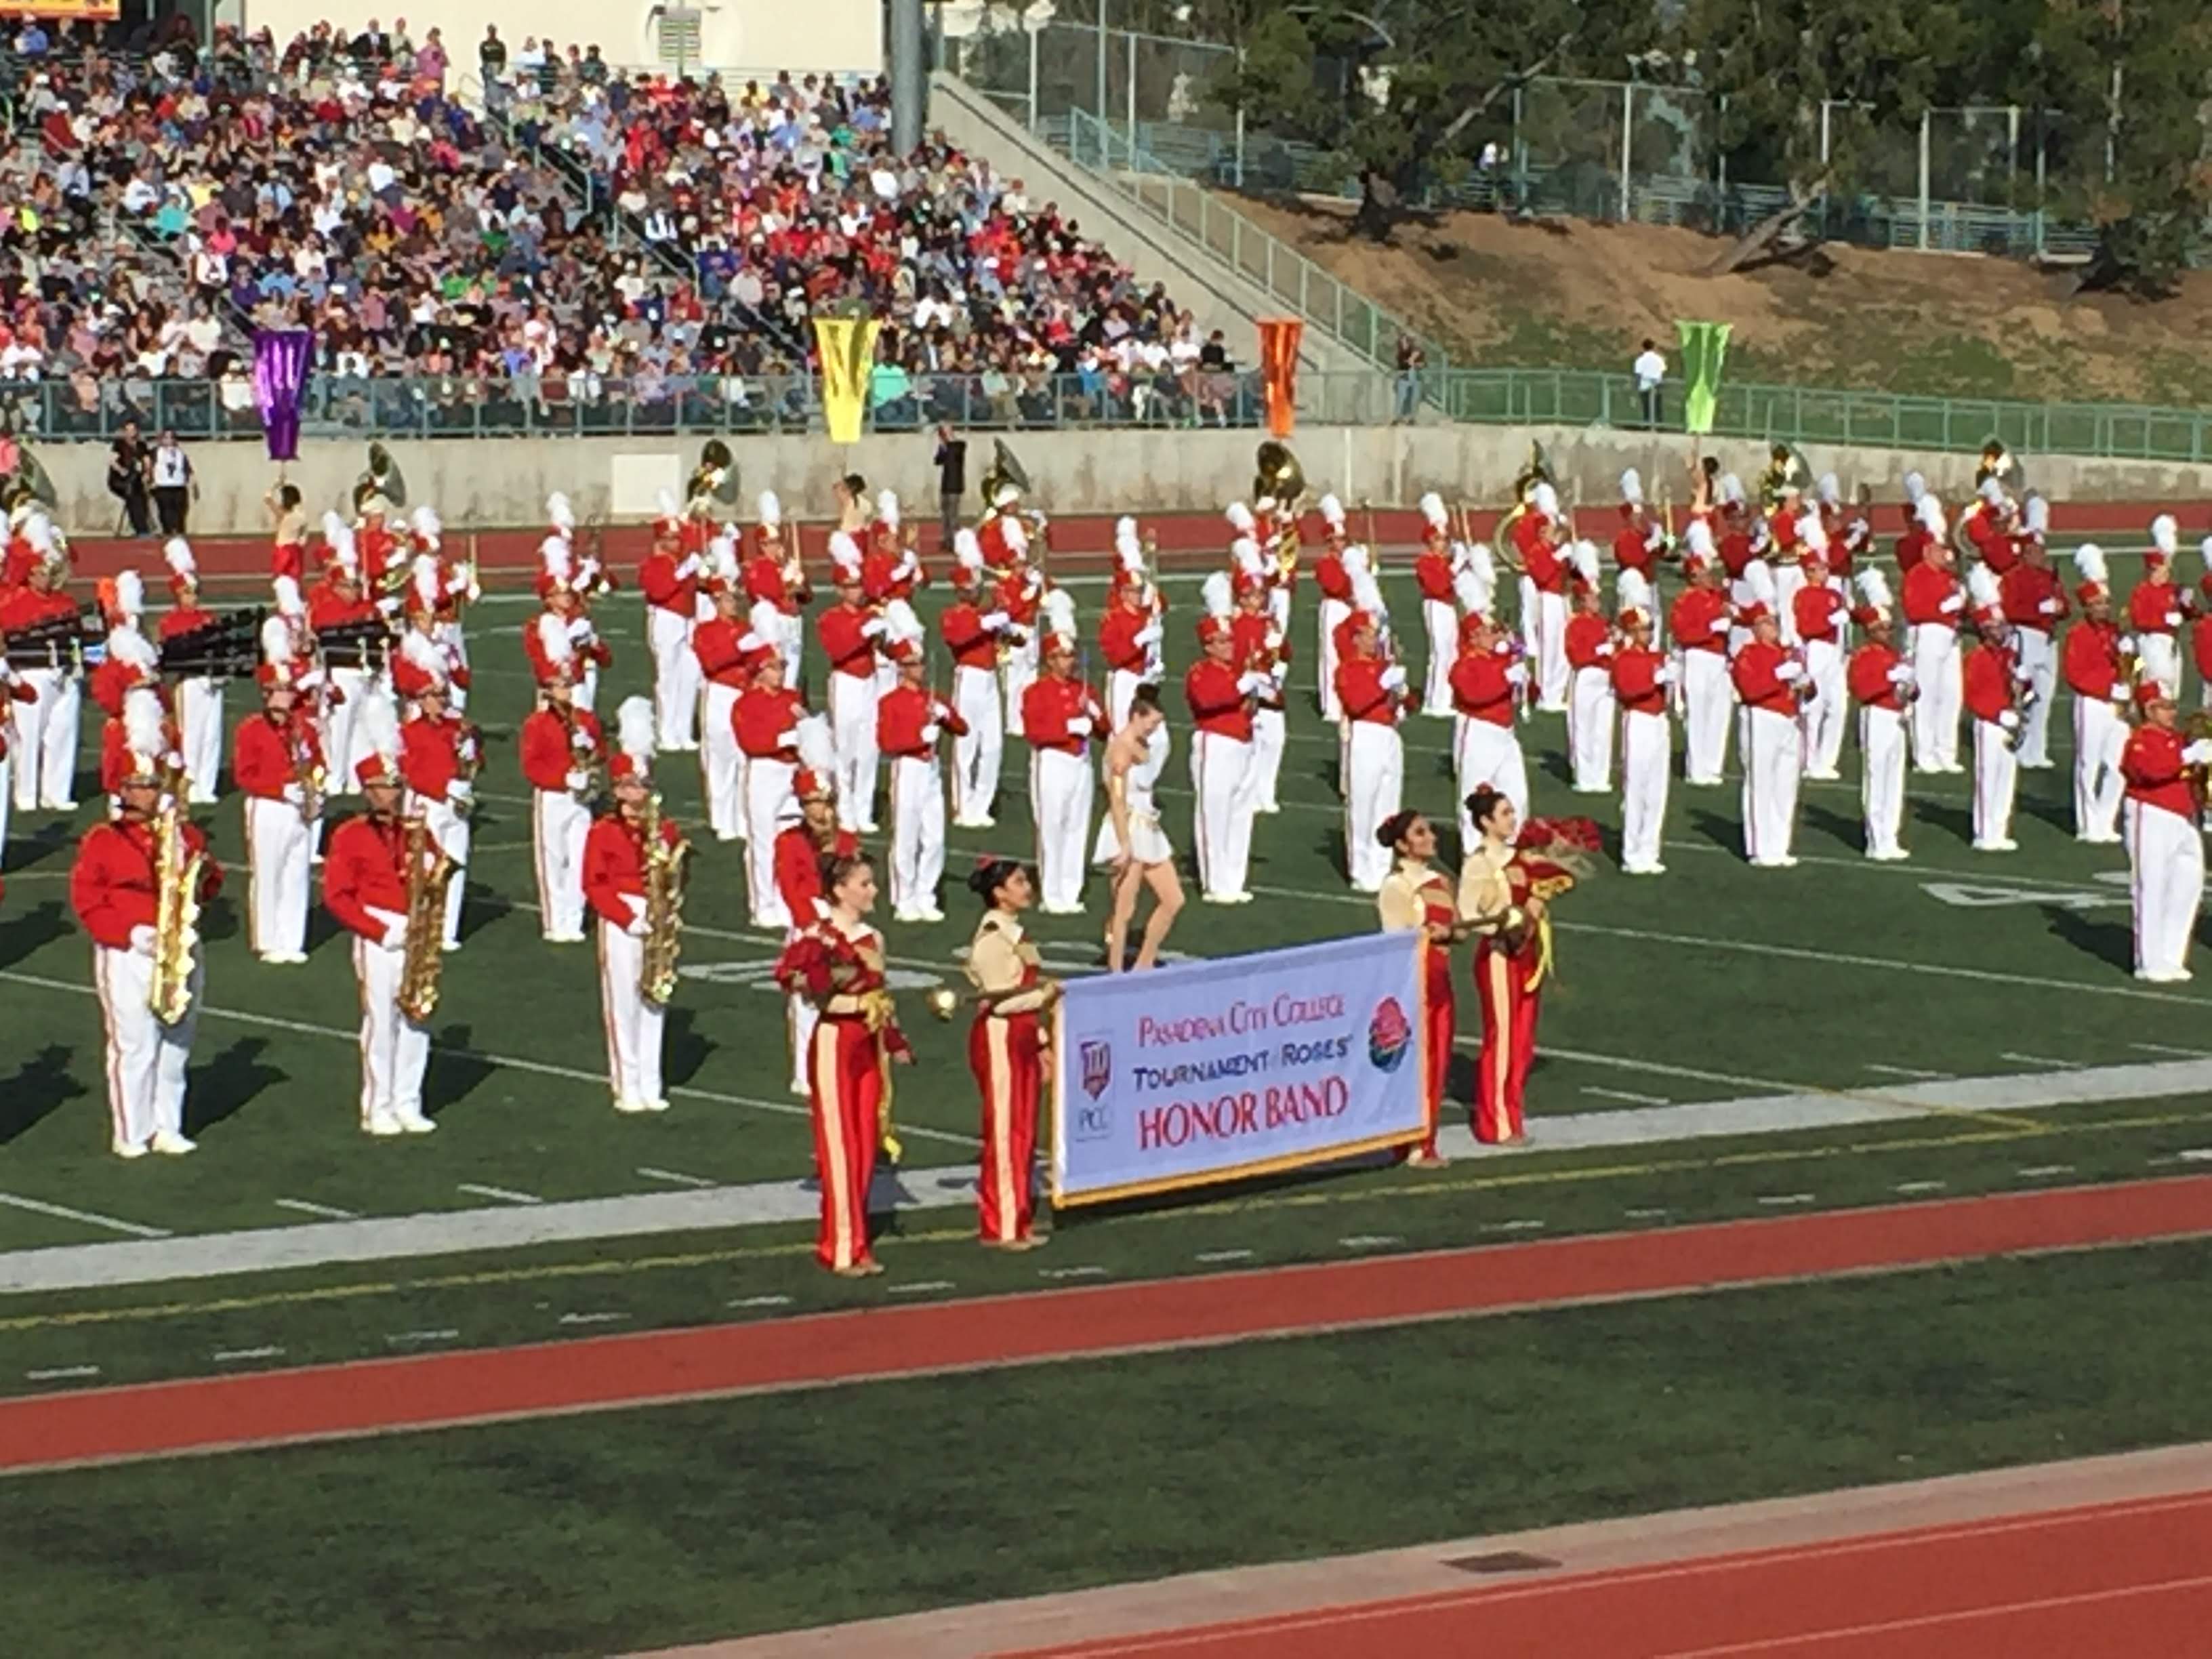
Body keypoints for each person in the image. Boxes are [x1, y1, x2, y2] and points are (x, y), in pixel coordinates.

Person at [71, 691, 220, 1159]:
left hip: (180, 944)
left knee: (177, 1040)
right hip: (128, 951)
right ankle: (131, 1131)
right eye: (141, 785)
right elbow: (87, 899)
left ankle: (167, 1124)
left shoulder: (183, 834)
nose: (151, 792)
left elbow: (210, 884)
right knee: (134, 1042)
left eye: (155, 784)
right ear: (124, 789)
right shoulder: (104, 839)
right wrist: (128, 934)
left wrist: (190, 856)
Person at [775, 851, 913, 1276]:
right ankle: (838, 1246)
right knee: (840, 1145)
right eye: (865, 884)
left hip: (867, 1042)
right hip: (835, 1038)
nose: (872, 891)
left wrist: (893, 1040)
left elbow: (881, 996)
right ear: (840, 890)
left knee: (867, 1142)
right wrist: (821, 976)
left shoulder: (874, 937)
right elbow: (788, 978)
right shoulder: (818, 934)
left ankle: (859, 1241)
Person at [321, 696, 440, 1136]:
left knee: (417, 1017)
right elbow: (338, 895)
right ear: (368, 791)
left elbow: (438, 866)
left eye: (395, 786)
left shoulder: (415, 830)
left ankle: (409, 1099)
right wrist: (380, 927)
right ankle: (378, 1104)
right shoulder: (351, 835)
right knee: (382, 1022)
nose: (391, 794)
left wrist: (431, 872)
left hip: (416, 933)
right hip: (379, 937)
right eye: (383, 787)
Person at [585, 698, 686, 1114]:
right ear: (617, 789)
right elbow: (594, 884)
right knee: (623, 1002)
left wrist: (665, 908)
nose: (637, 792)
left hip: (658, 914)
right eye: (629, 785)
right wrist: (628, 917)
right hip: (623, 920)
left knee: (655, 997)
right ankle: (627, 1082)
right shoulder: (604, 831)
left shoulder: (663, 828)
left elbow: (678, 869)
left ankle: (651, 1080)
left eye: (642, 785)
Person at [964, 855, 1061, 1250]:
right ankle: (1001, 1224)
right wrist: (1046, 995)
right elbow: (1001, 1001)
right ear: (999, 893)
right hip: (1000, 1036)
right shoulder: (992, 938)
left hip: (1021, 1035)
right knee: (1005, 1130)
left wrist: (1041, 1042)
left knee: (1022, 1128)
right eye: (1019, 882)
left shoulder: (1015, 933)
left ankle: (1018, 1218)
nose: (1027, 888)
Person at [1376, 810, 1464, 1165]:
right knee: (1418, 1062)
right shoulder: (1396, 886)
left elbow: (1459, 930)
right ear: (1402, 845)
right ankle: (1414, 1144)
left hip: (1441, 975)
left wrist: (1452, 932)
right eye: (1420, 833)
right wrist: (1428, 934)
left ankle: (1427, 1139)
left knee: (1438, 1060)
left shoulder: (1441, 882)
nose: (1431, 838)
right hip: (1415, 977)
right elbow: (1395, 939)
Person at [1457, 787, 1542, 1145]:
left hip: (1526, 953)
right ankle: (1496, 1123)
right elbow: (1466, 912)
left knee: (1523, 1039)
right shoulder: (1479, 863)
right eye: (1505, 814)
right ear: (1486, 822)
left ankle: (1514, 1113)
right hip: (1497, 956)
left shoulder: (1521, 856)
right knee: (1503, 1038)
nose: (1512, 819)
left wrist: (1535, 908)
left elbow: (1537, 893)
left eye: (1512, 812)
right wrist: (1501, 925)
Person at [233, 655, 323, 963]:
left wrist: (316, 791)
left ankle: (292, 940)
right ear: (266, 693)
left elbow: (318, 762)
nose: (286, 694)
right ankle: (267, 939)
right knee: (268, 872)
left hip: (299, 807)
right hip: (268, 806)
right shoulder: (252, 729)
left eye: (288, 689)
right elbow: (244, 775)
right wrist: (279, 788)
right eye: (279, 689)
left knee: (297, 873)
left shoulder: (303, 729)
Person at [773, 765, 857, 1094]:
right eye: (811, 803)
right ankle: (805, 1073)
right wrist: (813, 922)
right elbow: (790, 887)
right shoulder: (790, 841)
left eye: (823, 802)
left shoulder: (846, 840)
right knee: (806, 1001)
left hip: (842, 924)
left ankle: (837, 1065)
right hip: (808, 928)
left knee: (845, 997)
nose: (819, 810)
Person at [519, 620, 603, 943]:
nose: (567, 689)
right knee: (553, 860)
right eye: (561, 685)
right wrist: (564, 777)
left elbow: (602, 753)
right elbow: (532, 766)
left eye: (569, 683)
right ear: (548, 690)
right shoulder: (537, 724)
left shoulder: (585, 720)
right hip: (554, 796)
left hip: (581, 798)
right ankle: (555, 921)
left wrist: (591, 754)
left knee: (580, 858)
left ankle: (574, 918)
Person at [877, 620, 965, 923]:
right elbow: (886, 742)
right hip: (908, 767)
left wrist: (945, 715)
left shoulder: (932, 698)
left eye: (920, 662)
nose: (920, 669)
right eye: (912, 664)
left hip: (930, 770)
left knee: (934, 837)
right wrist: (918, 737)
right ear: (901, 668)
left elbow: (962, 729)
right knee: (906, 835)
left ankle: (926, 894)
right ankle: (904, 897)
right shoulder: (890, 702)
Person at [1022, 596, 1102, 916]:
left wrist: (1094, 712)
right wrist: (1069, 726)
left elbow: (1104, 728)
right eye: (1061, 656)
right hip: (1052, 761)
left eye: (1071, 655)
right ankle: (1052, 890)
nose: (1068, 662)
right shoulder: (1036, 692)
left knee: (1077, 826)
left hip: (1081, 762)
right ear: (1049, 660)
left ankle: (1072, 889)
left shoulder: (1084, 689)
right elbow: (1035, 731)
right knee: (1051, 826)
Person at [1095, 683, 1183, 971]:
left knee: (1174, 899)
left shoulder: (1143, 746)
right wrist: (1123, 844)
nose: (1154, 729)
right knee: (1125, 908)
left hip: (1149, 825)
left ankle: (1144, 963)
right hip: (1129, 826)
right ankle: (1116, 970)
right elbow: (1117, 800)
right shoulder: (1120, 749)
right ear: (1136, 716)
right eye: (1152, 723)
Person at [2124, 686, 2209, 983]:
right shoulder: (2139, 740)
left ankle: (2172, 954)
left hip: (2184, 817)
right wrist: (2188, 756)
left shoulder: (2175, 739)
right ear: (2149, 710)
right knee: (2152, 886)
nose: (2172, 711)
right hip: (2152, 814)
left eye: (2173, 705)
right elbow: (2150, 772)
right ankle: (2149, 960)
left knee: (2189, 883)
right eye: (2164, 706)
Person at [396, 643, 476, 951]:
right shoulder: (409, 732)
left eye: (442, 695)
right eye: (432, 695)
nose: (439, 701)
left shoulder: (458, 728)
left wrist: (471, 756)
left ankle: (446, 930)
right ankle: (419, 924)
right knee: (422, 866)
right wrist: (444, 788)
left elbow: (472, 763)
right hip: (427, 803)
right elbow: (411, 773)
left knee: (456, 864)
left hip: (456, 804)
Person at [1187, 581, 1260, 905]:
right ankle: (1215, 881)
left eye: (1231, 639)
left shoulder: (1236, 671)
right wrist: (1241, 688)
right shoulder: (1200, 672)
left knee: (1240, 812)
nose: (1230, 645)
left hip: (1243, 743)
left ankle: (1234, 878)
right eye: (1222, 641)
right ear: (1208, 645)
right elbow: (1207, 700)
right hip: (1215, 743)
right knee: (1214, 813)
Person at [1732, 570, 1809, 869]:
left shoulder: (1786, 653)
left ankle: (1780, 843)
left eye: (1774, 621)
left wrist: (1804, 682)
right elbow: (1751, 689)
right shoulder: (1748, 653)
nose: (1773, 627)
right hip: (1762, 717)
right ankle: (1760, 846)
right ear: (1755, 628)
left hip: (1789, 719)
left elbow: (1805, 686)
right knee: (1761, 781)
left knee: (1785, 782)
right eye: (1767, 622)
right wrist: (1779, 677)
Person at [1, 529, 82, 813]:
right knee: (28, 735)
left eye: (49, 571)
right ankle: (26, 794)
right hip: (31, 673)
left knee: (63, 733)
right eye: (39, 572)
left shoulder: (66, 603)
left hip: (64, 673)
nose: (45, 578)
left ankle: (57, 792)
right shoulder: (13, 603)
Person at [1336, 603, 1410, 894]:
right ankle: (1361, 869)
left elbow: (1404, 703)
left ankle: (1382, 865)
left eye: (1374, 634)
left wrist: (1401, 694)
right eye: (1367, 634)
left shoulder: (1382, 666)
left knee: (1387, 802)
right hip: (1365, 733)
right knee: (1363, 804)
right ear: (1355, 638)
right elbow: (1355, 703)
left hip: (1390, 734)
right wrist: (1383, 685)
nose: (1373, 640)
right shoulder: (1347, 668)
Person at [941, 531, 1010, 827]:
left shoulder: (986, 612)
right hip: (968, 677)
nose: (973, 591)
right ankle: (963, 805)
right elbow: (958, 635)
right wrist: (988, 621)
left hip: (989, 678)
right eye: (968, 586)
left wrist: (1006, 618)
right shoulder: (954, 615)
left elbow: (1008, 635)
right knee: (966, 742)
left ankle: (982, 803)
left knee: (992, 744)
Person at [693, 554, 764, 843]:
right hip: (720, 694)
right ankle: (721, 818)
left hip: (743, 694)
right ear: (716, 600)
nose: (733, 603)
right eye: (727, 598)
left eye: (735, 598)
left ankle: (740, 817)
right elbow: (711, 662)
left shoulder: (746, 628)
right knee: (719, 757)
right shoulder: (705, 630)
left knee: (741, 757)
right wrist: (738, 649)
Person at [1847, 571, 1914, 862]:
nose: (1889, 632)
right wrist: (1889, 679)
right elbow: (1862, 688)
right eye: (1884, 628)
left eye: (1889, 628)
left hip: (1897, 717)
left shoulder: (1893, 655)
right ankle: (1876, 839)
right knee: (1877, 778)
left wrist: (1911, 686)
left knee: (1894, 778)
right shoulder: (1864, 656)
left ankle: (1891, 835)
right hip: (1877, 716)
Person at [1449, 604, 1530, 844]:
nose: (1495, 635)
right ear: (1474, 637)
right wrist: (1505, 678)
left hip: (1506, 733)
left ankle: (1509, 846)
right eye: (1490, 631)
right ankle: (1474, 852)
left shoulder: (1499, 659)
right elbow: (1474, 694)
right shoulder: (1465, 665)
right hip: (1480, 733)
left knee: (1517, 794)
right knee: (1476, 797)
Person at [2064, 547, 2129, 845]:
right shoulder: (2079, 634)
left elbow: (2129, 665)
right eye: (2097, 604)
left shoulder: (2115, 632)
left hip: (2117, 705)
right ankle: (2087, 822)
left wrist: (2132, 665)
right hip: (2092, 703)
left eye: (2106, 603)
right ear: (2087, 607)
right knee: (2089, 764)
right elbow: (2076, 673)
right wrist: (2108, 687)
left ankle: (2106, 818)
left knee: (2117, 764)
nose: (2103, 608)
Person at [817, 550, 884, 832]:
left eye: (858, 586)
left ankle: (864, 809)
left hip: (870, 681)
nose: (856, 592)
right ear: (839, 590)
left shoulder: (871, 613)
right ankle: (844, 810)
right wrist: (863, 632)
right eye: (850, 587)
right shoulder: (830, 618)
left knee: (869, 748)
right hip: (846, 682)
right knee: (845, 749)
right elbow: (838, 650)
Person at [1610, 571, 1672, 875]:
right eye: (1644, 629)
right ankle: (1633, 850)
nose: (1649, 633)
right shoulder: (1623, 659)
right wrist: (1654, 680)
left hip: (1659, 721)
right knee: (1637, 787)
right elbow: (1627, 690)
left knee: (1658, 788)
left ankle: (1650, 848)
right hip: (1639, 721)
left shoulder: (1655, 655)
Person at [1900, 497, 1965, 773]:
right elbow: (1914, 609)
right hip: (1928, 635)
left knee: (1951, 694)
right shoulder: (1917, 575)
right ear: (1928, 550)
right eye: (1940, 549)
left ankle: (1945, 751)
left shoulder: (1948, 577)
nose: (1945, 554)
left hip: (1952, 637)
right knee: (1926, 695)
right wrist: (1943, 608)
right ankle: (1924, 753)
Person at [1963, 566, 2024, 853]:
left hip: (2010, 721)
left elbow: (2019, 688)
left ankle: (2001, 828)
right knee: (1988, 777)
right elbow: (1974, 696)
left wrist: (2026, 686)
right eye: (1996, 627)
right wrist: (1998, 714)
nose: (2002, 630)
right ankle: (1985, 831)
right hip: (1990, 723)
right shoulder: (1977, 658)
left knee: (2007, 776)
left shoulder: (2009, 656)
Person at [157, 539, 222, 805]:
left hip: (211, 682)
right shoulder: (170, 622)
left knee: (212, 734)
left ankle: (208, 785)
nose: (192, 597)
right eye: (186, 592)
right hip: (190, 684)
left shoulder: (210, 618)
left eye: (194, 592)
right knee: (192, 735)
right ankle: (191, 782)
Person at [1999, 519, 2069, 769]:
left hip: (2049, 639)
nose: (2041, 556)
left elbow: (2065, 605)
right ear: (2026, 553)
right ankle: (2020, 747)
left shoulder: (2049, 577)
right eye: (2036, 551)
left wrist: (2060, 608)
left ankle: (2037, 750)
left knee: (2045, 696)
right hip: (2026, 636)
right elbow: (2010, 609)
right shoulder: (2013, 578)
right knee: (2025, 695)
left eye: (2042, 551)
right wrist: (2039, 610)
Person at [1671, 528, 1733, 786]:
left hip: (1719, 657)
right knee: (1699, 713)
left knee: (1720, 712)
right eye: (1703, 573)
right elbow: (1683, 633)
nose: (1709, 577)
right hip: (1698, 657)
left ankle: (1712, 764)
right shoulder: (1685, 601)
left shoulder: (1717, 597)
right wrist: (1710, 629)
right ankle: (1696, 768)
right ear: (1693, 577)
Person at [638, 515, 703, 754]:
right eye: (669, 539)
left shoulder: (683, 562)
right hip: (667, 619)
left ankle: (684, 730)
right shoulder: (654, 564)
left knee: (689, 675)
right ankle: (666, 732)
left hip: (688, 619)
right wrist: (684, 571)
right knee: (668, 677)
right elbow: (660, 590)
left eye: (677, 538)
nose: (675, 543)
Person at [1792, 537, 1849, 781]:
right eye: (1818, 568)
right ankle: (1810, 759)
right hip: (1815, 649)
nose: (1824, 572)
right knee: (1813, 706)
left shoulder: (1834, 594)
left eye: (1825, 568)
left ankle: (1827, 760)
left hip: (1833, 650)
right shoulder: (1803, 595)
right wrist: (1829, 621)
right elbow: (1806, 626)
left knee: (1838, 706)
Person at [1563, 544, 1616, 794]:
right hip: (1586, 676)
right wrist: (1599, 651)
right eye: (1592, 598)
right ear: (1582, 601)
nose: (1597, 601)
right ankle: (1585, 776)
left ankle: (1600, 775)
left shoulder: (1603, 623)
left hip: (1605, 677)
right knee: (1583, 728)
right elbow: (1576, 655)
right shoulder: (1576, 625)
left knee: (1603, 729)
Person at [2129, 515, 2190, 701]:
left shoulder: (2172, 589)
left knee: (2172, 692)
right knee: (2156, 688)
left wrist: (2186, 605)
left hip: (2171, 645)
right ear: (2153, 569)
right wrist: (2163, 620)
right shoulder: (2142, 591)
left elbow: (2187, 613)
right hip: (2153, 644)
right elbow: (2139, 620)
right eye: (2163, 568)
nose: (2167, 572)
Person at [1414, 495, 1458, 714]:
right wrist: (1454, 569)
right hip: (1435, 605)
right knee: (1440, 652)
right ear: (1430, 541)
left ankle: (1445, 697)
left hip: (1448, 607)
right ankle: (1434, 700)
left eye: (1445, 539)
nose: (1443, 543)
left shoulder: (1443, 561)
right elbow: (1437, 586)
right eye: (1439, 539)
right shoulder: (1425, 561)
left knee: (1451, 652)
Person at [108, 420, 151, 537]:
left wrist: (147, 473)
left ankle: (140, 527)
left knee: (140, 497)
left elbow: (147, 461)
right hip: (120, 481)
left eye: (133, 430)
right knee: (134, 497)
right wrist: (122, 471)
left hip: (136, 480)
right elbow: (112, 461)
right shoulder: (119, 444)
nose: (130, 433)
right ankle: (142, 529)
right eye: (128, 430)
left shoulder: (141, 445)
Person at [150, 430, 192, 536]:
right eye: (166, 438)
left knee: (179, 511)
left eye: (171, 438)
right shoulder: (156, 452)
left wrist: (191, 480)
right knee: (166, 511)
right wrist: (150, 479)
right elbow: (149, 466)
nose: (169, 440)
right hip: (162, 485)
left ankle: (179, 532)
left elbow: (187, 468)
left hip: (178, 485)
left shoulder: (180, 453)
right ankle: (167, 532)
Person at [934, 424, 968, 552]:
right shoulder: (944, 448)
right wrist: (942, 446)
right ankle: (947, 540)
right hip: (946, 484)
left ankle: (955, 542)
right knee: (945, 515)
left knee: (953, 515)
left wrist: (949, 439)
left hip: (955, 485)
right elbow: (938, 461)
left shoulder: (959, 445)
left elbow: (955, 454)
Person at [1632, 337, 1666, 428]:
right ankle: (1659, 425)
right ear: (1654, 347)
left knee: (1646, 407)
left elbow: (1638, 375)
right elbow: (1663, 371)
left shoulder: (1640, 360)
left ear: (1643, 348)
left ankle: (1647, 425)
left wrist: (1637, 386)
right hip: (1657, 385)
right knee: (1657, 407)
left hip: (1645, 386)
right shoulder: (1659, 359)